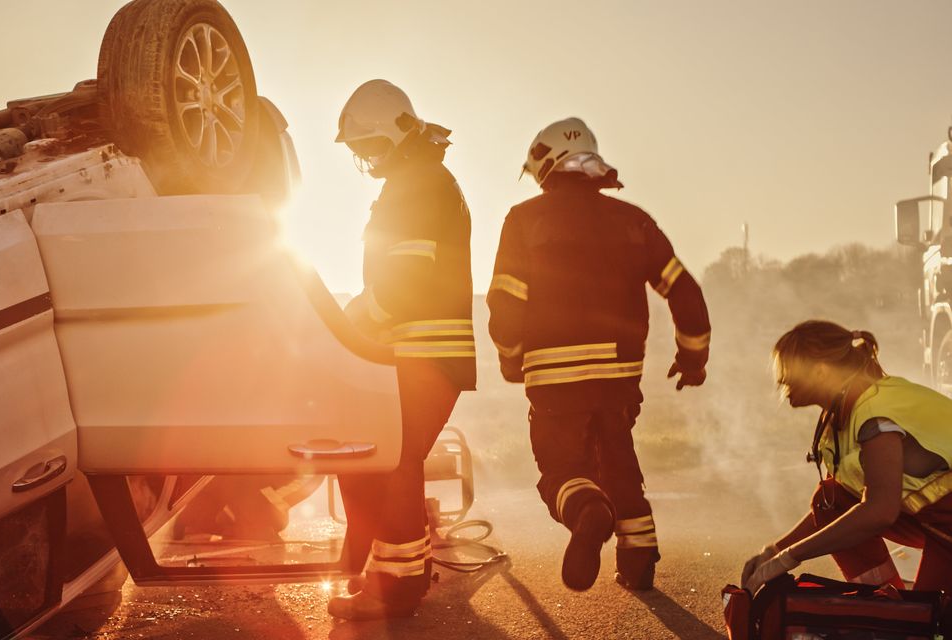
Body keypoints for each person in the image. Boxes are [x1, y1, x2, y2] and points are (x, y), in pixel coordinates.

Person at [488, 118, 710, 591]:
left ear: (545, 165)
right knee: (618, 461)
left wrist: (511, 358)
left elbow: (505, 302)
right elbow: (685, 292)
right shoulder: (634, 221)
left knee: (562, 470)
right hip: (619, 376)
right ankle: (638, 559)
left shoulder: (524, 220)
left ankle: (587, 511)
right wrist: (693, 359)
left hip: (553, 376)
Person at [330, 79, 476, 620]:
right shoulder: (421, 178)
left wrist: (354, 318)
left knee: (389, 458)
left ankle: (394, 590)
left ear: (397, 133)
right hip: (423, 350)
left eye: (370, 145)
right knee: (386, 457)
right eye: (358, 150)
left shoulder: (418, 184)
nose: (366, 158)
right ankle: (394, 574)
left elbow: (405, 280)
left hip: (425, 349)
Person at [742, 320, 952, 592]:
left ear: (820, 371)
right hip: (940, 521)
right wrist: (774, 551)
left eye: (788, 369)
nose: (781, 380)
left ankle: (905, 612)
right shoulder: (846, 410)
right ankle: (883, 603)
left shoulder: (875, 413)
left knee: (932, 616)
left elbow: (879, 512)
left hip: (945, 524)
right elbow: (837, 507)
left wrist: (789, 557)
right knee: (830, 501)